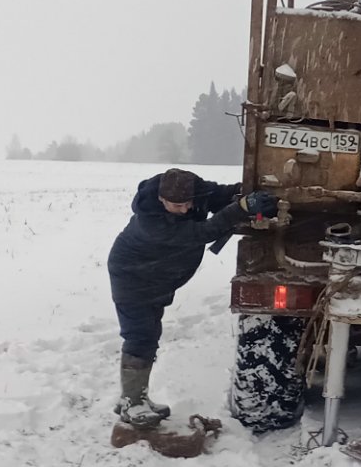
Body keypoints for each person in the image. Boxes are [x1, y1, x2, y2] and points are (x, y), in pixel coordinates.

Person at [106, 168, 277, 428]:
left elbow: (221, 194)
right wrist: (241, 208)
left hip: (157, 277)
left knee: (150, 333)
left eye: (188, 203)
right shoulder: (150, 221)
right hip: (132, 276)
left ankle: (136, 397)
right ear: (161, 199)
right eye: (177, 206)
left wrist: (250, 192)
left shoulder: (195, 189)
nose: (185, 209)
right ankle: (132, 402)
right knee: (140, 335)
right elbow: (203, 232)